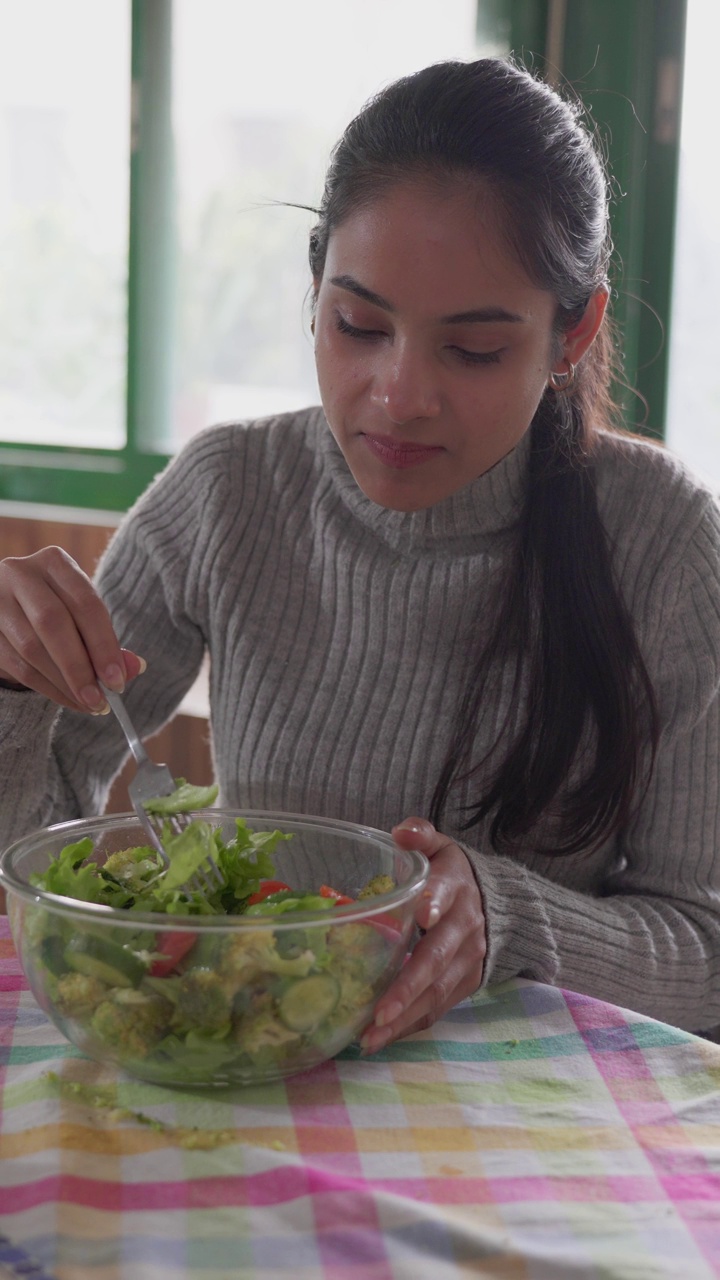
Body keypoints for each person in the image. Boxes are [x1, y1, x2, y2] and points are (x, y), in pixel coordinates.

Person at [1, 58, 719, 1054]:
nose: (398, 393)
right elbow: (31, 846)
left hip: (532, 1130)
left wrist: (505, 919)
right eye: (358, 324)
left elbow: (703, 943)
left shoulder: (663, 539)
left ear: (573, 330)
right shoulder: (229, 492)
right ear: (313, 289)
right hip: (238, 1068)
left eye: (471, 349)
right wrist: (13, 688)